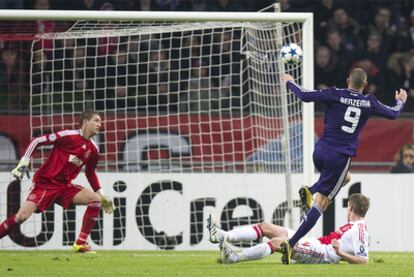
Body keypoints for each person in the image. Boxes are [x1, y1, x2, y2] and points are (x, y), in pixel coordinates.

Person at [279, 68, 406, 264]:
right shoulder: (368, 102)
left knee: (346, 178)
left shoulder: (335, 93)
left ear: (348, 80)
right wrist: (401, 101)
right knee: (321, 203)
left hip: (320, 151)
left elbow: (304, 95)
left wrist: (289, 81)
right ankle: (292, 241)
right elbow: (394, 114)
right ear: (364, 85)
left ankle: (313, 189)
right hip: (340, 157)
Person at [0, 110, 115, 253]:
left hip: (64, 187)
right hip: (45, 183)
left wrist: (102, 195)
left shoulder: (93, 150)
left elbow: (90, 173)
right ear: (85, 122)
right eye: (96, 120)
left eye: (100, 121)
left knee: (95, 200)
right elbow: (37, 140)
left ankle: (80, 243)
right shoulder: (68, 136)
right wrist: (24, 161)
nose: (100, 124)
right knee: (21, 216)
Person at [208, 193, 370, 265]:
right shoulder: (355, 226)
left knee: (279, 242)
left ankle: (234, 258)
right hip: (316, 244)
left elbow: (363, 261)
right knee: (267, 227)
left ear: (350, 207)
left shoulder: (360, 230)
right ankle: (222, 235)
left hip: (322, 254)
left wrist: (340, 253)